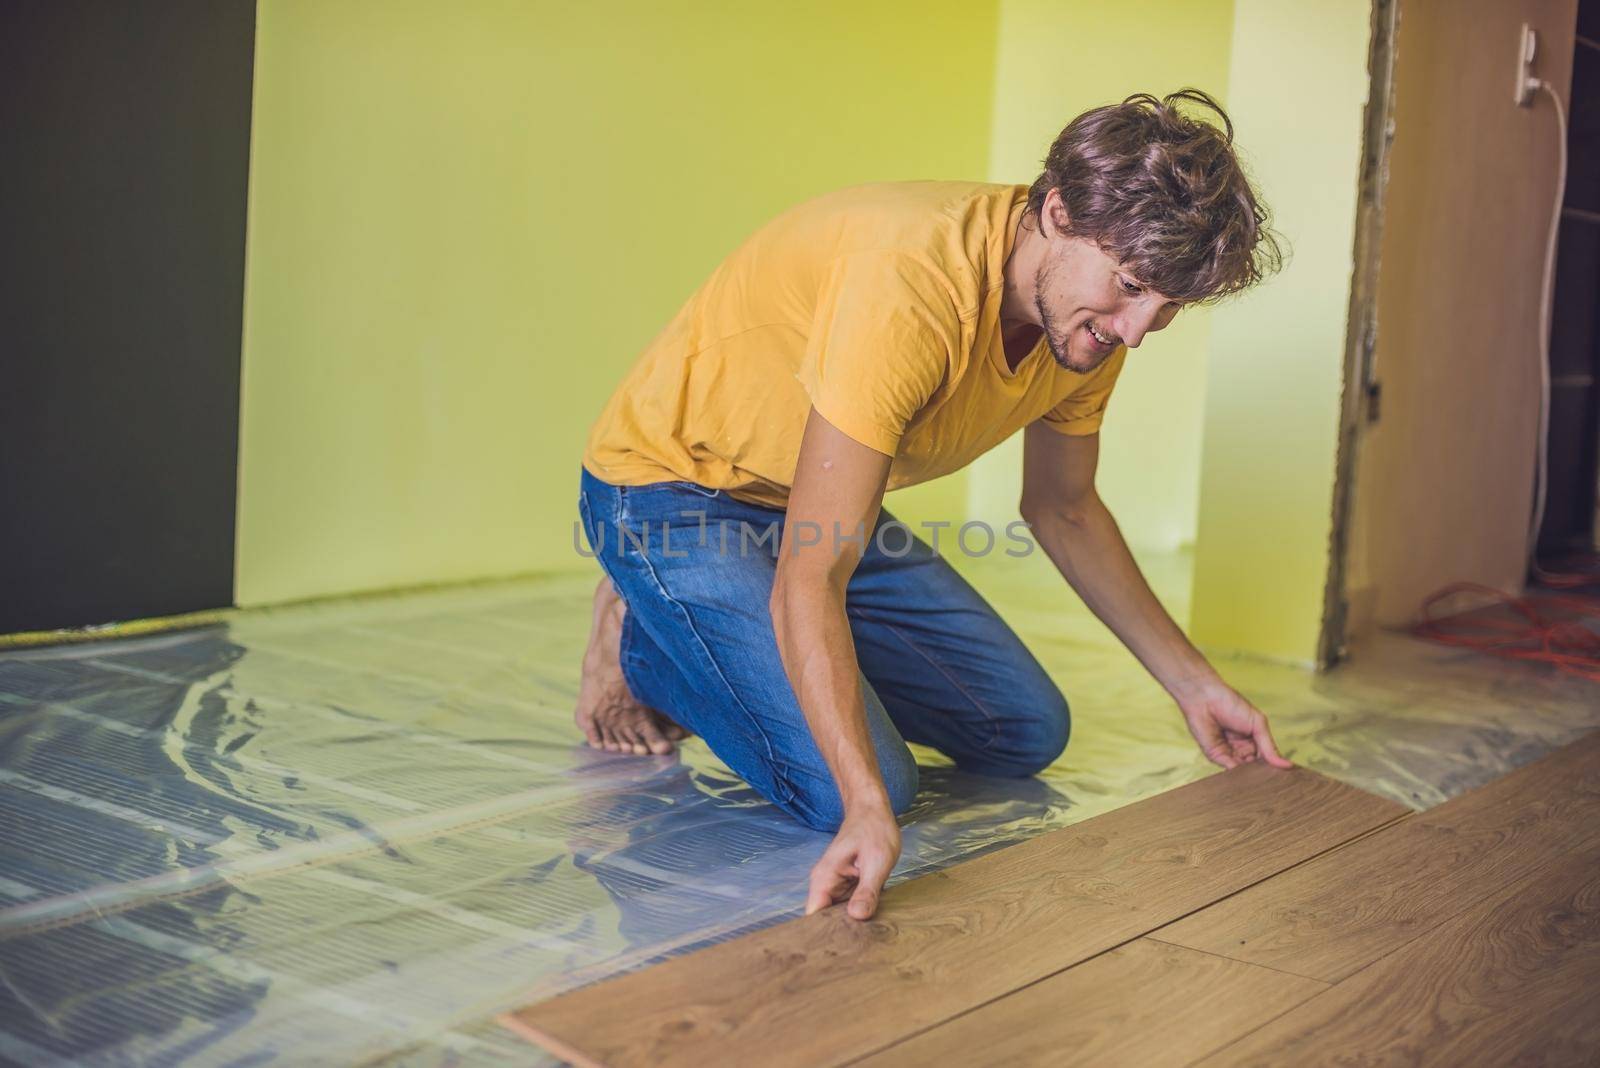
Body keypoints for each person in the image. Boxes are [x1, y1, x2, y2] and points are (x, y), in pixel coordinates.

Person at [573, 88, 1291, 922]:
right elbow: (815, 569)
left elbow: (1064, 508)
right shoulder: (911, 282)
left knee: (1025, 733)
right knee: (868, 785)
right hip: (673, 491)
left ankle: (740, 640)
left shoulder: (1092, 319)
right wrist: (867, 806)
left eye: (1166, 307)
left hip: (810, 500)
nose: (1136, 331)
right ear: (1057, 212)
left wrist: (1195, 686)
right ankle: (644, 631)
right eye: (1130, 287)